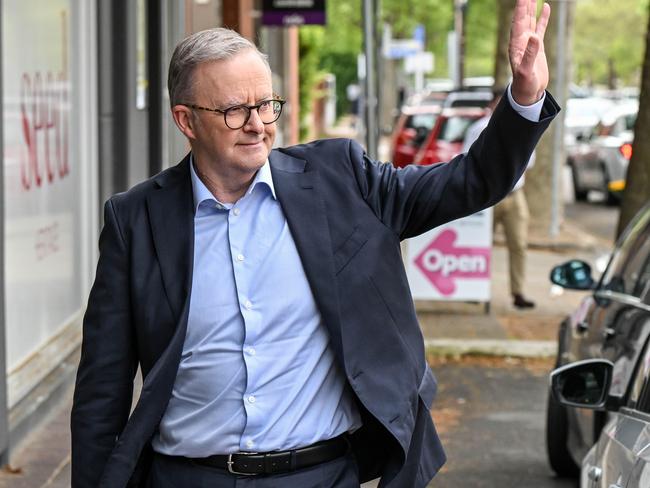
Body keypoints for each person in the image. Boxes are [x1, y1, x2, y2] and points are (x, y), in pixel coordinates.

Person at [71, 1, 556, 486]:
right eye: (235, 111)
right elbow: (102, 391)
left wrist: (523, 98)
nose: (258, 125)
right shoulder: (135, 220)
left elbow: (471, 180)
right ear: (186, 120)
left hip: (320, 474)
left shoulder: (340, 180)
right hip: (188, 477)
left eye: (265, 105)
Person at [463, 89, 537, 309]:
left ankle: (518, 292)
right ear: (492, 105)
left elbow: (530, 160)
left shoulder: (520, 127)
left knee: (519, 244)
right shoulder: (478, 129)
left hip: (515, 195)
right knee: (480, 243)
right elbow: (466, 158)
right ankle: (475, 289)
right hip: (488, 196)